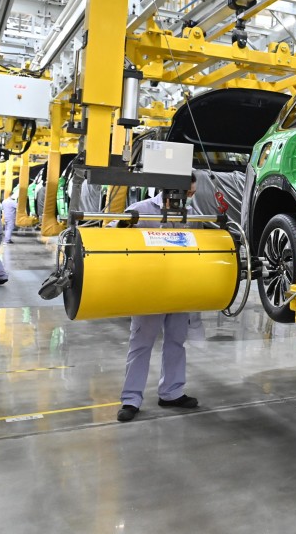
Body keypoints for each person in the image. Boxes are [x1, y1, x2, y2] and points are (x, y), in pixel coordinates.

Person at [117, 173, 200, 422]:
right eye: (187, 193)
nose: (189, 198)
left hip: (179, 288)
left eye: (192, 193)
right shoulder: (140, 210)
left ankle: (171, 392)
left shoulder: (191, 216)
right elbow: (111, 235)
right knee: (141, 344)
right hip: (148, 289)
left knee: (176, 342)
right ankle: (131, 399)